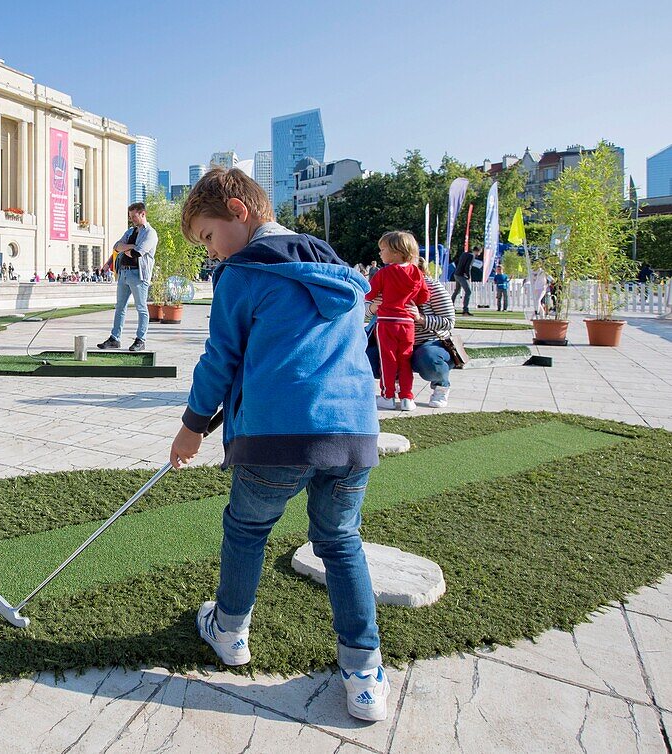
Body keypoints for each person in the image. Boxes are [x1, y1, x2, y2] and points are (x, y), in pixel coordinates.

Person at [169, 167, 386, 722]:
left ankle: (231, 630)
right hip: (353, 432)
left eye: (209, 237)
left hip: (275, 439)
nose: (211, 254)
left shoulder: (241, 276)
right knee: (340, 541)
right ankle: (363, 674)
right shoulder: (336, 268)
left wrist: (192, 425)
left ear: (239, 211)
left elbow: (220, 359)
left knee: (246, 529)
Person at [366, 255, 456, 408]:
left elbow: (449, 322)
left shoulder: (432, 287)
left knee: (429, 359)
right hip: (393, 337)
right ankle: (396, 386)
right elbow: (365, 306)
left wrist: (420, 318)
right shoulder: (388, 281)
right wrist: (372, 307)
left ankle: (441, 385)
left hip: (427, 342)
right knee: (374, 357)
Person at [365, 231, 429, 412]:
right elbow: (424, 296)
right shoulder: (417, 272)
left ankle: (388, 395)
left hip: (386, 322)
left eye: (383, 249)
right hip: (407, 323)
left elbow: (369, 294)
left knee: (388, 359)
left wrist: (378, 298)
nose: (380, 253)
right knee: (405, 359)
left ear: (395, 251)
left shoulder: (384, 273)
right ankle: (407, 396)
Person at [98, 201, 158, 352]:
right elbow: (116, 247)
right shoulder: (130, 232)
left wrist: (127, 248)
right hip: (124, 273)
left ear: (142, 214)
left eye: (133, 216)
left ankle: (140, 339)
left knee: (141, 308)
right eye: (130, 216)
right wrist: (130, 247)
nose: (131, 219)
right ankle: (115, 338)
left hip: (138, 275)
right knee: (120, 307)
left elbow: (137, 253)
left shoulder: (150, 233)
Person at [451, 245, 474, 315]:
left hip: (456, 273)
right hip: (461, 275)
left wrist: (458, 268)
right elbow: (468, 267)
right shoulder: (471, 256)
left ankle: (451, 307)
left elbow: (456, 261)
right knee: (468, 291)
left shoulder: (463, 254)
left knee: (457, 291)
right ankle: (465, 310)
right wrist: (469, 276)